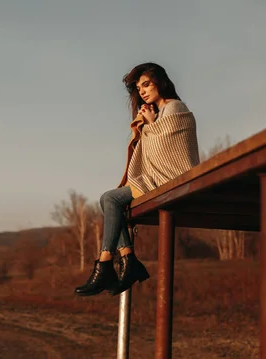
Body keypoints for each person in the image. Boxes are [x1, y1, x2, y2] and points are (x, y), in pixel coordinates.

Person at [74, 62, 200, 296]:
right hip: (155, 177)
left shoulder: (174, 107)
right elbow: (153, 147)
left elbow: (169, 151)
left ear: (160, 82)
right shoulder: (159, 111)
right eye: (138, 88)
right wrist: (146, 127)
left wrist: (150, 126)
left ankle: (108, 263)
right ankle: (126, 260)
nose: (141, 91)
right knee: (109, 200)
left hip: (171, 177)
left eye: (146, 84)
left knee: (110, 199)